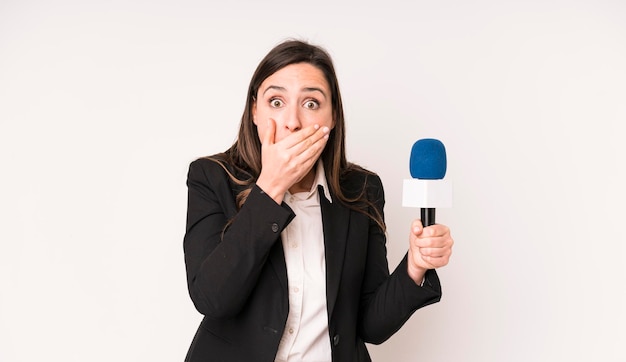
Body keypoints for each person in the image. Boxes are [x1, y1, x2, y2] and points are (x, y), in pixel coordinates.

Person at [183, 39, 454, 362]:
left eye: (311, 103)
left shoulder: (362, 189)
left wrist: (415, 267)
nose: (293, 121)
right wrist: (270, 189)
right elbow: (212, 299)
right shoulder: (211, 178)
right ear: (254, 110)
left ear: (333, 116)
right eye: (276, 101)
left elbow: (371, 325)